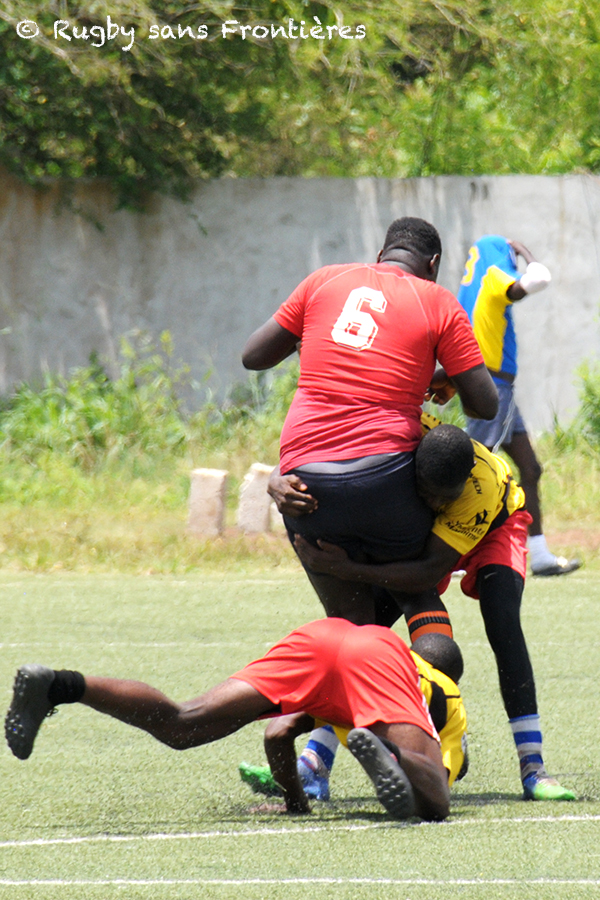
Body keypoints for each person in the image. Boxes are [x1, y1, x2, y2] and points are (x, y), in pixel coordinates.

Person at [277, 415, 575, 802]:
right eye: (427, 492)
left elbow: (427, 572)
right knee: (359, 640)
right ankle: (315, 763)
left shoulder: (478, 490)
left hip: (497, 525)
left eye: (444, 497)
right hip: (432, 536)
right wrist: (276, 479)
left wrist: (346, 569)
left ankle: (533, 767)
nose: (434, 502)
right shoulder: (407, 432)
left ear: (462, 483)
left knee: (503, 624)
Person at [242, 217, 498, 626]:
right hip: (385, 476)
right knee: (416, 594)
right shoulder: (437, 300)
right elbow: (485, 405)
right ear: (433, 264)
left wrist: (306, 336)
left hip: (304, 481)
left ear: (381, 255)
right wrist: (449, 374)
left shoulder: (323, 280)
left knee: (349, 621)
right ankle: (430, 661)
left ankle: (358, 659)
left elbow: (253, 357)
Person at [4, 618, 451, 821]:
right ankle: (389, 751)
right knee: (435, 800)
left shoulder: (326, 701)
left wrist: (295, 804)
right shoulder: (438, 691)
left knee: (184, 723)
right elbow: (446, 768)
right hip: (376, 654)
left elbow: (277, 733)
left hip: (320, 636)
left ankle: (62, 685)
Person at [456, 234, 580, 577]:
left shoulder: (472, 287)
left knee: (530, 468)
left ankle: (538, 554)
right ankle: (452, 553)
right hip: (493, 386)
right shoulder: (493, 275)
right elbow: (539, 278)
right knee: (475, 471)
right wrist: (523, 249)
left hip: (498, 386)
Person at [239, 632, 468, 803]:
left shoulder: (396, 660)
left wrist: (294, 802)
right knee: (433, 792)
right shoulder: (451, 694)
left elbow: (282, 730)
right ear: (455, 680)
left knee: (327, 709)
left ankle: (311, 768)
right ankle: (395, 755)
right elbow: (446, 774)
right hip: (407, 714)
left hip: (366, 678)